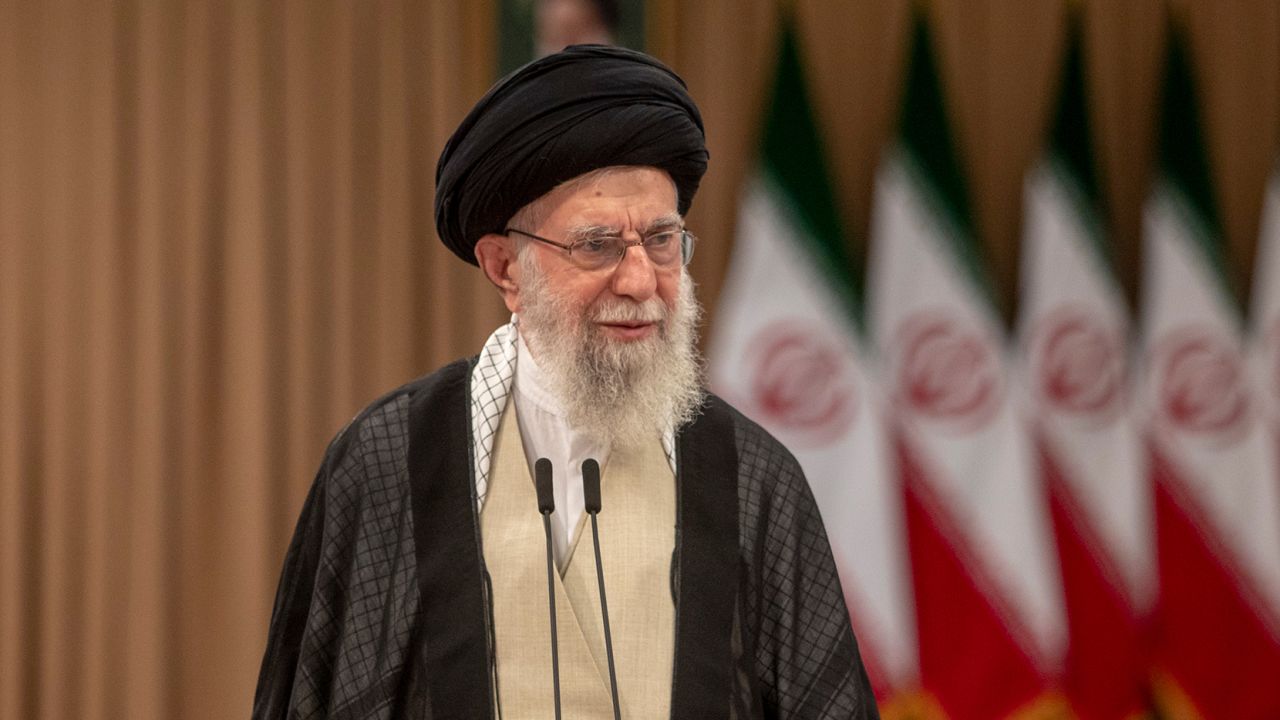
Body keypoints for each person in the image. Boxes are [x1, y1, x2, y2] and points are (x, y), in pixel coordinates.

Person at [253, 44, 879, 719]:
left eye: (662, 240)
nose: (641, 281)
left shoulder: (751, 478)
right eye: (597, 245)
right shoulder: (388, 464)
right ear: (505, 269)